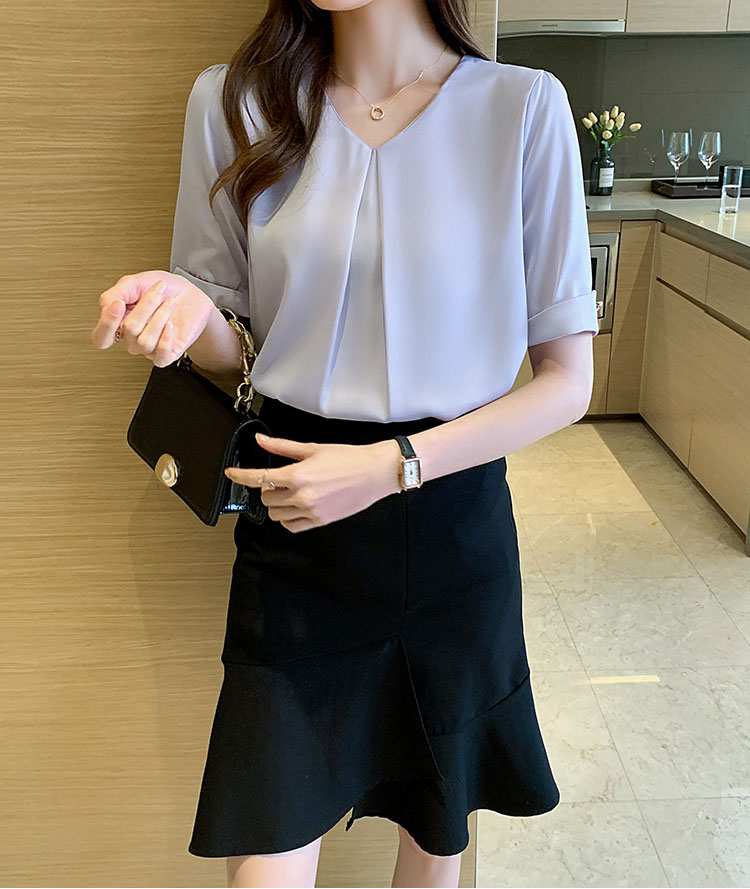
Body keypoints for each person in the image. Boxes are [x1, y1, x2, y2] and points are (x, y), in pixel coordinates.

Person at [91, 0, 599, 885]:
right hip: (295, 527)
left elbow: (567, 380)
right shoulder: (234, 104)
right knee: (267, 843)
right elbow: (238, 346)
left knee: (434, 840)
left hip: (451, 528)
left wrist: (393, 466)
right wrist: (184, 311)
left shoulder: (522, 108)